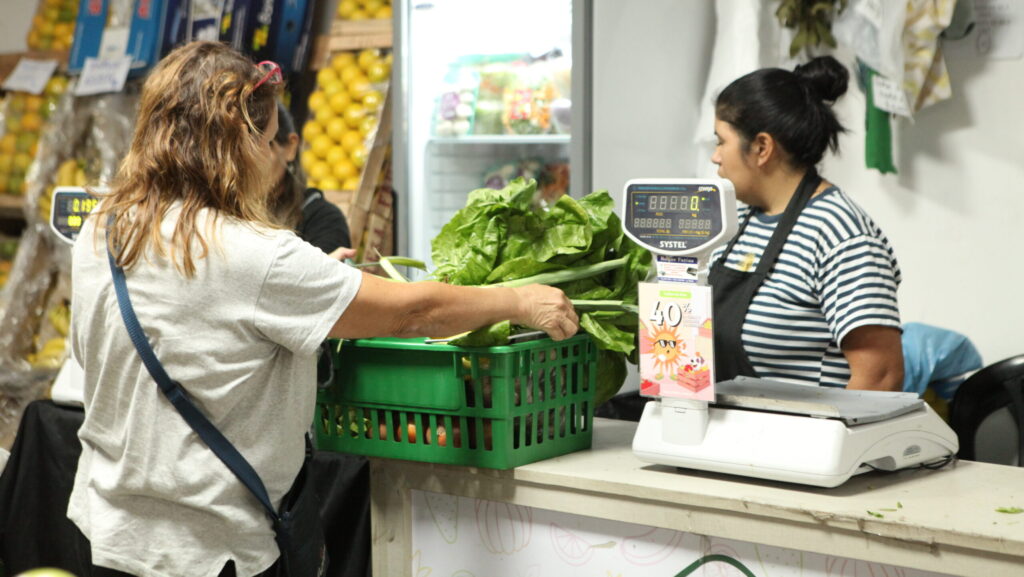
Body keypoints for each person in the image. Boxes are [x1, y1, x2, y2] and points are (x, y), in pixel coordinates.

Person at [68, 41, 578, 577]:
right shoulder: (253, 254)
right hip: (209, 548)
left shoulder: (104, 227)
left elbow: (101, 350)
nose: (269, 158)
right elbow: (414, 312)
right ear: (240, 142)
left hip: (108, 531)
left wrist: (310, 286)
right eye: (265, 141)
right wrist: (518, 300)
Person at [707, 55, 904, 391]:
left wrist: (823, 443)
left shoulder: (840, 234)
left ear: (761, 147)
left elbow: (881, 376)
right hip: (734, 434)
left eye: (721, 141)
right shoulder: (736, 224)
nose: (715, 156)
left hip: (803, 438)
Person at [267, 101, 353, 255]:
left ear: (291, 147)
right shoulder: (222, 220)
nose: (249, 162)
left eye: (267, 146)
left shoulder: (323, 220)